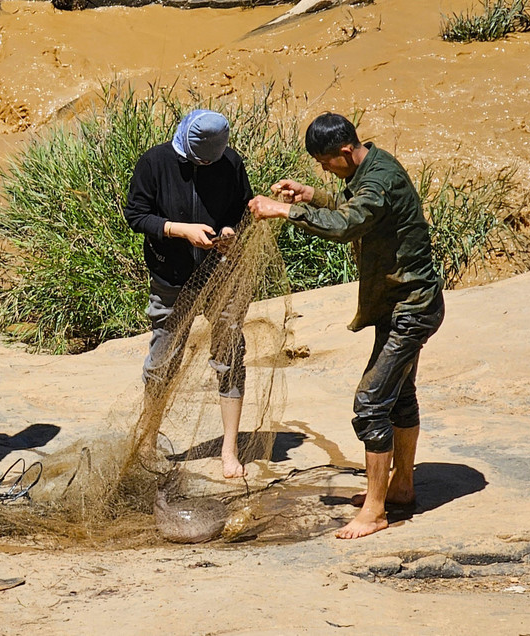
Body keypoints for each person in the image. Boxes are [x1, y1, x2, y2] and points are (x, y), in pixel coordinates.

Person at [248, 112, 445, 539]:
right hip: (398, 304)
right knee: (399, 396)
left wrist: (284, 210)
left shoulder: (379, 180)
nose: (324, 170)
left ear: (344, 151)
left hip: (411, 308)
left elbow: (348, 225)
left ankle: (375, 511)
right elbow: (351, 210)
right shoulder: (369, 166)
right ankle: (402, 488)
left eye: (325, 164)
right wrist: (312, 196)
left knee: (371, 404)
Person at [123, 109, 253, 479]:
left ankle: (229, 451)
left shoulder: (230, 162)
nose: (204, 164)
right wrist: (180, 230)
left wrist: (228, 232)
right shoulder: (155, 161)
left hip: (221, 276)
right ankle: (147, 443)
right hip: (171, 277)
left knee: (230, 355)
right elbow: (136, 215)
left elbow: (240, 210)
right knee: (162, 361)